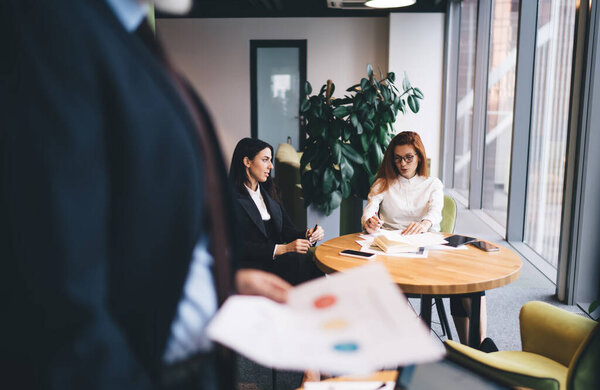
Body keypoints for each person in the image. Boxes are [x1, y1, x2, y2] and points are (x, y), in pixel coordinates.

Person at [0, 1, 292, 389]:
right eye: (264, 159)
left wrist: (220, 283)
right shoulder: (45, 29)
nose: (269, 165)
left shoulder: (132, 38)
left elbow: (130, 230)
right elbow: (55, 292)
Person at [361, 131, 487, 346]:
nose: (403, 163)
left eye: (409, 157)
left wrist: (425, 224)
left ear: (419, 157)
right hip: (393, 249)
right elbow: (369, 210)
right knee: (390, 286)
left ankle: (479, 349)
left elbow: (435, 212)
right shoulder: (383, 183)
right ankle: (412, 343)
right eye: (398, 158)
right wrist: (369, 221)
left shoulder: (432, 184)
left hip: (429, 248)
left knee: (470, 285)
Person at [229, 138, 325, 286]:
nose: (271, 166)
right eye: (265, 160)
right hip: (254, 265)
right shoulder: (230, 198)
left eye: (271, 160)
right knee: (298, 262)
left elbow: (288, 232)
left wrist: (309, 234)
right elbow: (237, 245)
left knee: (313, 262)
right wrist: (283, 249)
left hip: (279, 262)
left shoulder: (270, 194)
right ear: (247, 162)